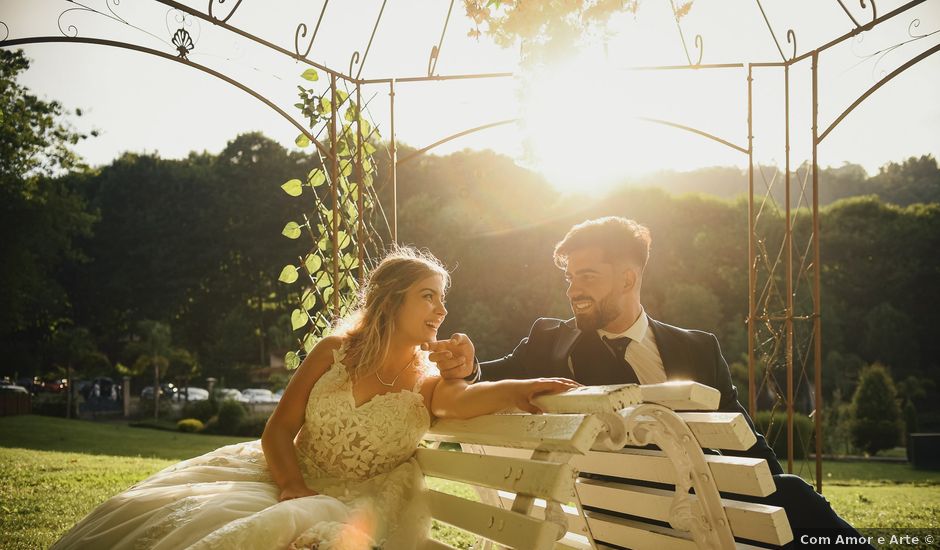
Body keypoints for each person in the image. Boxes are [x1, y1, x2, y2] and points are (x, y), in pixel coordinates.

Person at [52, 246, 577, 550]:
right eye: (428, 296)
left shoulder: (430, 380)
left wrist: (525, 388)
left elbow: (465, 402)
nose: (441, 309)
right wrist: (291, 484)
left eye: (444, 299)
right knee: (185, 516)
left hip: (359, 500)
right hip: (286, 476)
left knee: (278, 529)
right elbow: (278, 430)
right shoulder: (334, 351)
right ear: (390, 301)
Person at [432, 216, 869, 547]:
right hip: (626, 516)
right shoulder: (552, 342)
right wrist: (469, 366)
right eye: (570, 277)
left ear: (628, 278)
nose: (573, 290)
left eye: (587, 276)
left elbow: (745, 438)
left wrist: (763, 486)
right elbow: (492, 373)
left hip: (717, 504)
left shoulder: (698, 347)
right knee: (793, 497)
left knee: (783, 493)